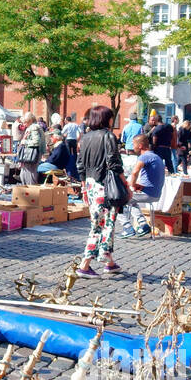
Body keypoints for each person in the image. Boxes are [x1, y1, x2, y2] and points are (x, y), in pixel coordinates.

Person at [75, 104, 126, 277]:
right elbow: (114, 163)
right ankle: (85, 264)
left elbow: (79, 165)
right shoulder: (108, 136)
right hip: (104, 185)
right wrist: (125, 184)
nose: (113, 120)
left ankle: (109, 261)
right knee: (103, 224)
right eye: (111, 117)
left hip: (90, 184)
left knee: (100, 222)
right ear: (106, 119)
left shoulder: (85, 137)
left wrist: (83, 187)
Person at [124, 133, 165, 234]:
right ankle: (143, 224)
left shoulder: (144, 157)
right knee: (131, 200)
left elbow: (134, 172)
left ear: (140, 146)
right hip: (155, 194)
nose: (133, 147)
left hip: (148, 194)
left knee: (117, 199)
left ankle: (127, 227)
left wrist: (132, 186)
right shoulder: (156, 156)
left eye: (133, 145)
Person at [14, 113, 45, 185]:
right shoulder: (34, 127)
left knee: (30, 174)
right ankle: (29, 191)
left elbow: (36, 142)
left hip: (31, 154)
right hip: (31, 154)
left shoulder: (34, 128)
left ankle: (31, 192)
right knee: (27, 174)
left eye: (25, 122)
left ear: (30, 121)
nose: (24, 124)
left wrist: (24, 142)